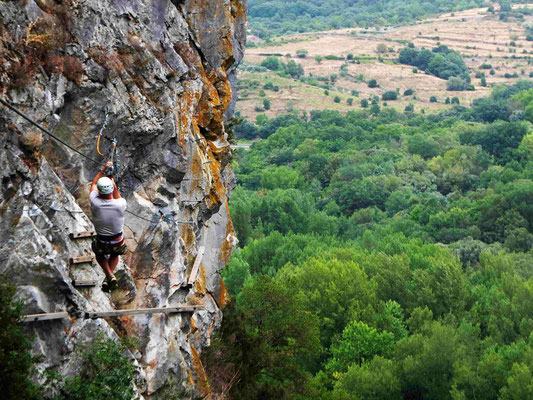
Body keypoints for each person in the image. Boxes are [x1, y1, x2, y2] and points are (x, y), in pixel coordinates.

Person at [89, 162, 127, 292]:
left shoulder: (95, 202)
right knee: (115, 253)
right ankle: (108, 278)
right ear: (111, 189)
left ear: (99, 191)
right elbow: (116, 195)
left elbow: (93, 184)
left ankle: (109, 275)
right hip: (117, 241)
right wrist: (113, 184)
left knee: (98, 253)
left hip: (102, 241)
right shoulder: (120, 204)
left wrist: (103, 170)